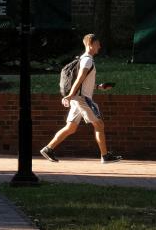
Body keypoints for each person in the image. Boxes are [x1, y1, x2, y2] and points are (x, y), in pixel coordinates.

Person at [40, 33, 122, 164]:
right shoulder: (88, 60)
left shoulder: (84, 59)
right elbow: (80, 78)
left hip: (77, 98)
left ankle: (48, 148)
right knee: (99, 124)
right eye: (97, 44)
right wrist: (71, 94)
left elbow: (84, 82)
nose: (99, 46)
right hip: (82, 99)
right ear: (90, 44)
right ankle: (105, 156)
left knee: (71, 127)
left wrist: (99, 87)